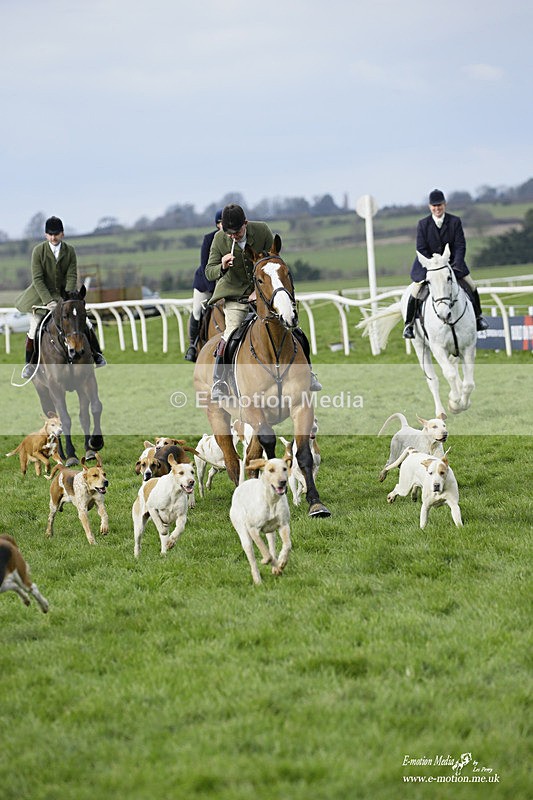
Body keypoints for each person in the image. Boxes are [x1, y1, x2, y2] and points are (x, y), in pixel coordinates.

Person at [205, 203, 321, 401]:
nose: (233, 236)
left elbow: (274, 262)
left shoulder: (262, 231)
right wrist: (222, 266)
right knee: (230, 333)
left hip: (265, 293)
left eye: (237, 231)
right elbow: (209, 272)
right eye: (229, 233)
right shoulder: (218, 239)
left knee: (294, 328)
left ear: (246, 224)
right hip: (235, 296)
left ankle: (308, 374)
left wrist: (260, 294)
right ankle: (220, 382)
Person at [16, 216, 106, 379]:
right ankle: (30, 364)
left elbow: (72, 275)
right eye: (50, 234)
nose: (53, 237)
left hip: (65, 296)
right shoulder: (38, 251)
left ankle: (97, 355)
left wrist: (68, 299)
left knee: (86, 323)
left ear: (62, 234)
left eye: (56, 234)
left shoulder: (69, 251)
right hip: (40, 297)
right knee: (34, 327)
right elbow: (38, 279)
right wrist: (49, 301)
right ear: (45, 235)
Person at [403, 189, 489, 338]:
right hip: (429, 266)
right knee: (415, 291)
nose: (437, 208)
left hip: (453, 265)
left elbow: (460, 246)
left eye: (440, 205)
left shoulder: (455, 221)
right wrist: (433, 265)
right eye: (434, 206)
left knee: (472, 286)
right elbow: (421, 248)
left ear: (445, 205)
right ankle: (409, 325)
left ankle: (478, 318)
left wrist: (456, 264)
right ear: (430, 207)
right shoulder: (423, 224)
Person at [184, 209, 222, 362]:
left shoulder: (234, 239)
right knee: (198, 311)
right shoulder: (209, 239)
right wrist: (213, 291)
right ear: (217, 224)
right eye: (221, 222)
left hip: (226, 284)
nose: (224, 225)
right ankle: (193, 345)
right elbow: (206, 266)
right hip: (205, 284)